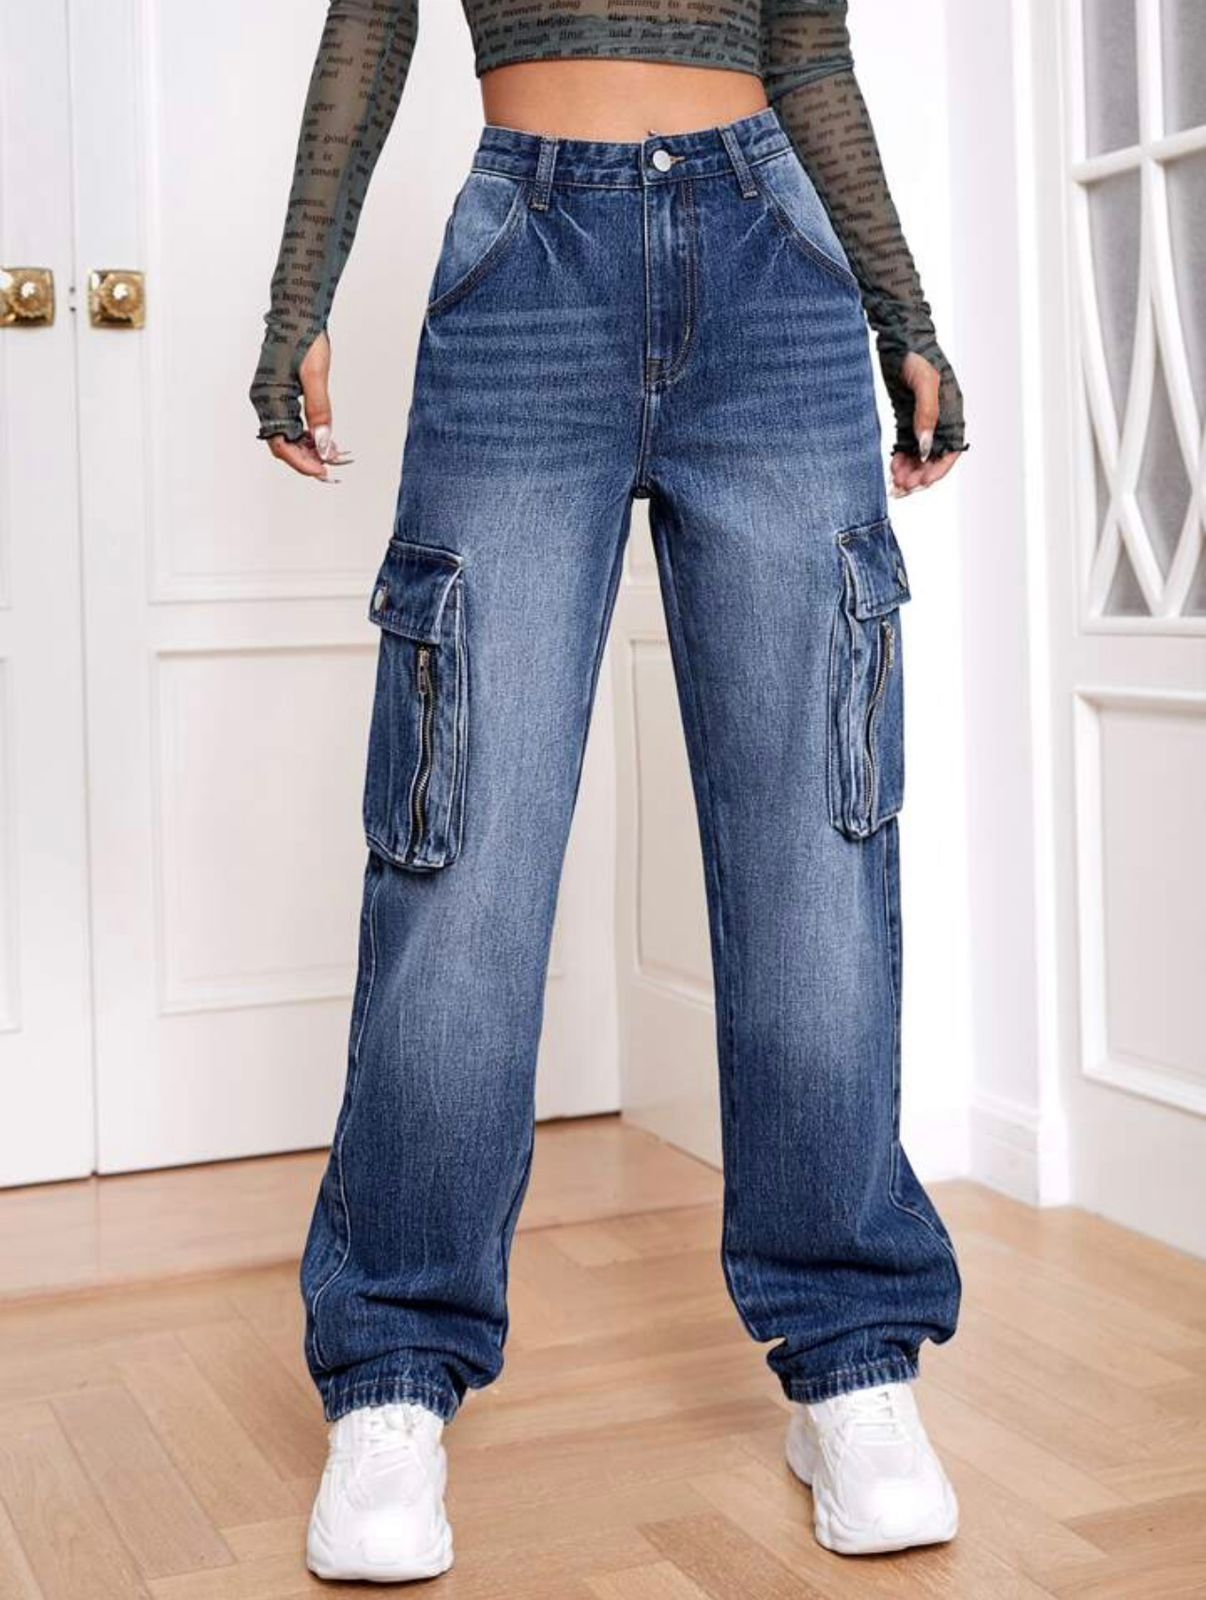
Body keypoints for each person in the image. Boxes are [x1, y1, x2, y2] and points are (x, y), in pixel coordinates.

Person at [251, 0, 969, 1581]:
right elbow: (370, 22)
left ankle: (851, 1364)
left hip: (773, 272)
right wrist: (299, 295)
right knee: (460, 848)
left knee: (813, 842)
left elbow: (808, 54)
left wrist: (902, 313)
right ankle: (393, 1379)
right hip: (526, 268)